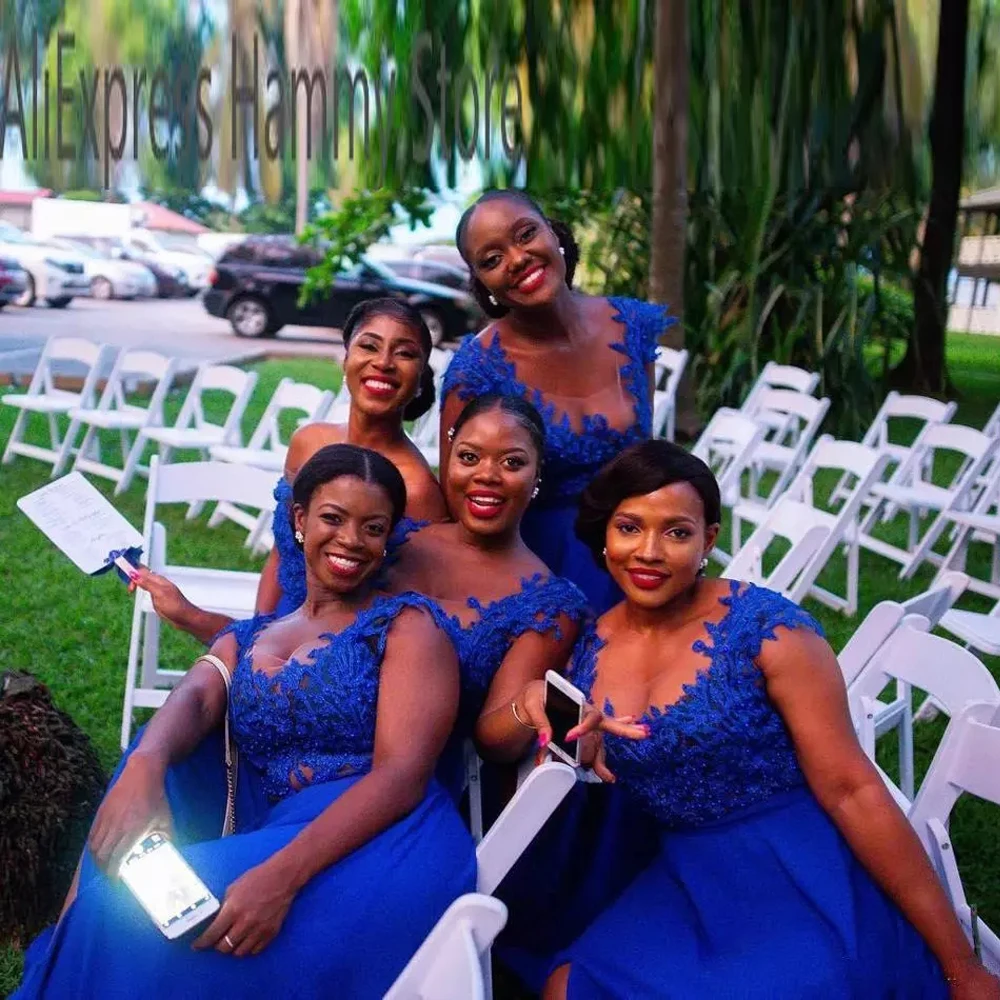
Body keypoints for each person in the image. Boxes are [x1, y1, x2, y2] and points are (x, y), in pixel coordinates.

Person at [515, 439, 997, 999]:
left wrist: (961, 965)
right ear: (605, 535)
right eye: (629, 527)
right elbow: (549, 748)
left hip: (799, 868)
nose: (648, 551)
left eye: (676, 532)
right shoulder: (591, 644)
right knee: (569, 987)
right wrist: (537, 698)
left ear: (708, 541)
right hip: (687, 877)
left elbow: (852, 789)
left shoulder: (768, 632)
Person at [14, 445, 476, 1000]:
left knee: (126, 918)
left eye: (372, 527)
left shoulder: (407, 627)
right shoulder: (255, 635)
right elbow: (197, 700)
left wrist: (281, 877)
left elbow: (400, 776)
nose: (352, 539)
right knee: (121, 894)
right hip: (280, 825)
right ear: (300, 520)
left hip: (377, 839)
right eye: (333, 518)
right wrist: (144, 766)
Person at [131, 297, 448, 642]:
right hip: (280, 625)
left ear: (420, 378)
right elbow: (281, 553)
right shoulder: (308, 443)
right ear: (346, 361)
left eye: (404, 353)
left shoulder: (417, 490)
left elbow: (407, 617)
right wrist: (259, 634)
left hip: (344, 650)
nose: (383, 362)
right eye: (369, 346)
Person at [441, 189, 675, 614]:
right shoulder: (476, 371)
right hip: (538, 572)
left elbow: (645, 454)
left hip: (637, 553)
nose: (516, 259)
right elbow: (456, 501)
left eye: (526, 234)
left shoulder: (631, 327)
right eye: (492, 260)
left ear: (555, 233)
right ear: (483, 285)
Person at [382, 393, 591, 799]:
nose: (487, 475)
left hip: (411, 781)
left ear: (537, 476)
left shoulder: (547, 604)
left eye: (512, 462)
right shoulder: (396, 539)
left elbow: (495, 742)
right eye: (469, 457)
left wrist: (530, 705)